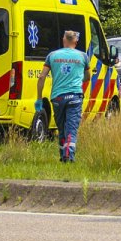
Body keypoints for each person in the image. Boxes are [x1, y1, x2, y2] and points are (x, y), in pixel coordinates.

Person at [36, 30, 91, 163]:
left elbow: (42, 76)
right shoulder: (83, 56)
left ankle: (63, 155)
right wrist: (77, 80)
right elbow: (88, 76)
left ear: (63, 40)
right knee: (71, 128)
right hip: (75, 97)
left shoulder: (52, 56)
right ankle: (68, 156)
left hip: (58, 98)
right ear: (76, 42)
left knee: (61, 128)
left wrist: (39, 98)